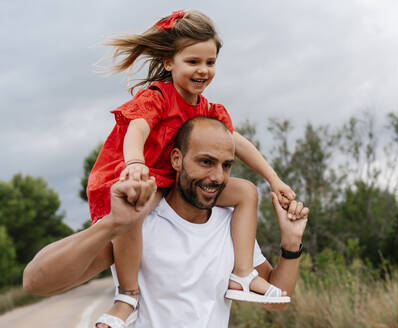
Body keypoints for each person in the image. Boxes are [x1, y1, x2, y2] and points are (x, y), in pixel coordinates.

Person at [85, 9, 296, 326]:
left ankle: (242, 274)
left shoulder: (209, 110)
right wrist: (135, 164)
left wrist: (274, 179)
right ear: (169, 62)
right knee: (134, 210)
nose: (203, 70)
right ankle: (127, 295)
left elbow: (239, 143)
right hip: (140, 175)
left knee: (246, 192)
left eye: (210, 62)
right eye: (193, 62)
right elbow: (136, 132)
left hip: (174, 178)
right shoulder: (157, 97)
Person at [23, 117, 308, 328]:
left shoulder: (232, 227)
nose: (218, 177)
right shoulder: (138, 223)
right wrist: (111, 225)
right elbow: (35, 281)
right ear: (176, 159)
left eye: (226, 165)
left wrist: (291, 245)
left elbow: (275, 302)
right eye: (206, 162)